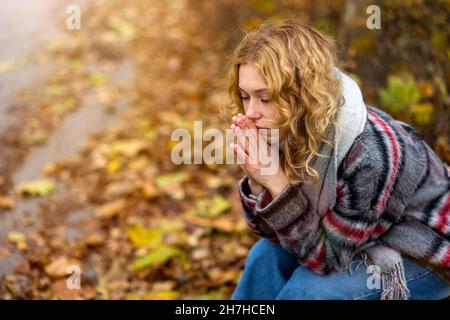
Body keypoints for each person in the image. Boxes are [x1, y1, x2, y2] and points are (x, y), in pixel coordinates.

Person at [225, 19, 450, 300]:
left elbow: (327, 258)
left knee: (308, 292)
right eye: (245, 97)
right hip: (351, 237)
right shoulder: (284, 127)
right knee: (264, 259)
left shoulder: (367, 153)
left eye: (265, 98)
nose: (251, 111)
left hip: (423, 248)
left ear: (304, 94)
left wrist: (276, 182)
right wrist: (259, 185)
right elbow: (275, 233)